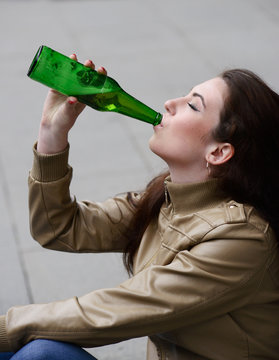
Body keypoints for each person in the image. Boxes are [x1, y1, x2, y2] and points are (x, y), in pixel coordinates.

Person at [0, 55, 278, 360]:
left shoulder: (241, 239)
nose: (171, 102)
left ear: (219, 151)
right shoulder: (166, 199)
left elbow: (110, 312)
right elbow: (59, 228)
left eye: (193, 105)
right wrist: (52, 134)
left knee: (38, 354)